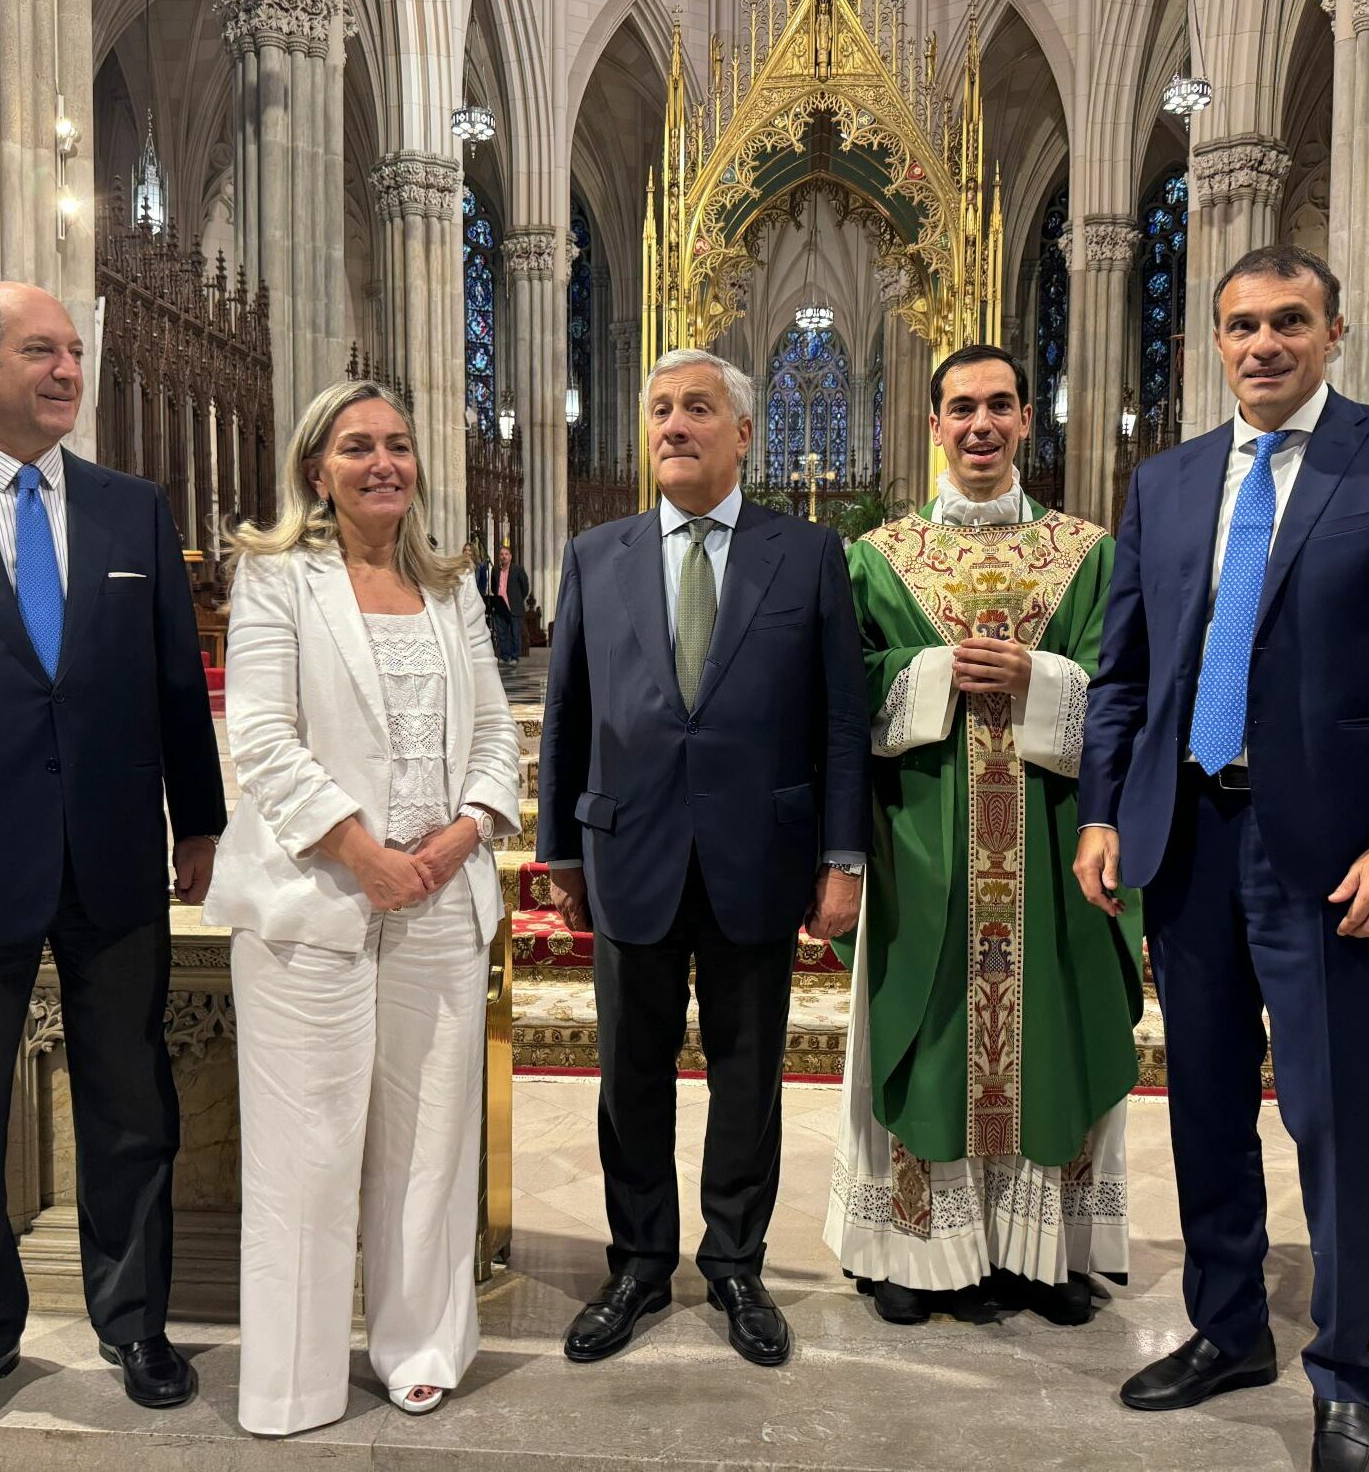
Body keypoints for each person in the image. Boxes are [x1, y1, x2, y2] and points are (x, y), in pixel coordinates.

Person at [1078, 244, 1369, 1472]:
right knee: (1205, 1108)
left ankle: (1345, 1377)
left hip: (1334, 857)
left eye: (1291, 321)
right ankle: (1229, 1328)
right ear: (1216, 342)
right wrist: (1103, 812)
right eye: (1242, 325)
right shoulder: (1169, 480)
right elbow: (1126, 672)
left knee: (1335, 1118)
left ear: (1334, 334)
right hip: (1190, 841)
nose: (1264, 344)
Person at [539, 347, 870, 1367]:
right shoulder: (597, 554)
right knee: (631, 1077)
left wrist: (843, 857)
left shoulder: (806, 554)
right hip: (629, 851)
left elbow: (840, 720)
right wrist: (559, 853)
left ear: (743, 432)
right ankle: (639, 1263)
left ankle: (735, 1265)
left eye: (696, 408)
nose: (674, 425)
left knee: (747, 1076)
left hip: (759, 854)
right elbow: (567, 714)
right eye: (660, 410)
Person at [204, 380, 520, 1436]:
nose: (383, 462)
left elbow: (495, 733)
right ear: (317, 470)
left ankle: (420, 1346)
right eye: (357, 447)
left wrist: (463, 832)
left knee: (430, 1143)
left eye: (397, 444)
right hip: (316, 898)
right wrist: (361, 852)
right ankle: (292, 1381)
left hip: (440, 894)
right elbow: (260, 737)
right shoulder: (275, 576)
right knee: (307, 1150)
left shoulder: (451, 587)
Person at [0, 283, 226, 1437]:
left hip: (112, 848)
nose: (69, 370)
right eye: (41, 351)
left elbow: (173, 680)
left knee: (129, 1101)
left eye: (74, 352)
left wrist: (198, 821)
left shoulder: (130, 510)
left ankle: (134, 1320)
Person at [824, 345, 1142, 1329]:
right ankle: (917, 1250)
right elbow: (840, 690)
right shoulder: (879, 557)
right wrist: (931, 674)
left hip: (1052, 843)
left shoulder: (1087, 554)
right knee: (928, 1034)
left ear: (1026, 420)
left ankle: (1040, 1255)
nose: (981, 425)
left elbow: (1127, 689)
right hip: (923, 849)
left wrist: (1040, 680)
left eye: (1000, 405)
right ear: (934, 426)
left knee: (1051, 1026)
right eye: (961, 408)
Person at [489, 542, 529, 664]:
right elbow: (493, 586)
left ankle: (514, 657)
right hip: (500, 606)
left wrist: (517, 599)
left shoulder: (518, 569)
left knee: (515, 634)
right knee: (502, 634)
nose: (504, 556)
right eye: (501, 554)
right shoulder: (495, 570)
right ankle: (504, 656)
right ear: (499, 557)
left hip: (514, 606)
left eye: (506, 554)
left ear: (510, 556)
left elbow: (525, 587)